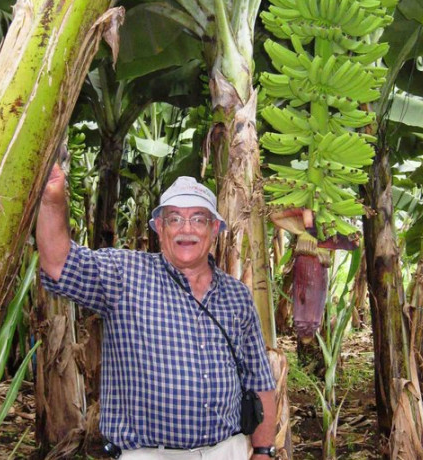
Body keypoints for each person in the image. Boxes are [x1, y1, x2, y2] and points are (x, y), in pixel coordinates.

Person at [37, 164, 277, 459]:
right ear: (160, 228)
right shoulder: (124, 275)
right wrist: (52, 200)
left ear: (214, 229)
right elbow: (59, 265)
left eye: (198, 219)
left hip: (227, 450)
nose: (186, 229)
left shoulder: (237, 295)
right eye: (174, 218)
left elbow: (259, 380)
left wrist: (264, 450)